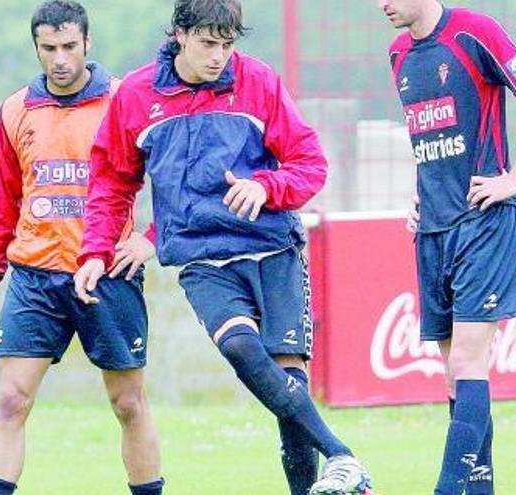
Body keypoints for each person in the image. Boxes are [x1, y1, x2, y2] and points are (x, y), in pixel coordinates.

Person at [73, 1, 373, 494]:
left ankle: (329, 479)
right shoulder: (136, 94)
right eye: (209, 44)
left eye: (228, 44)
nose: (219, 56)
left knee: (286, 384)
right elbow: (110, 183)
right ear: (180, 35)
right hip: (203, 257)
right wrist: (94, 252)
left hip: (273, 249)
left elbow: (309, 163)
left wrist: (265, 187)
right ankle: (343, 456)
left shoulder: (259, 82)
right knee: (238, 346)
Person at [0, 2, 164, 494]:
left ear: (88, 44)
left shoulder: (125, 101)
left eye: (69, 46)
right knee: (11, 400)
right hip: (35, 276)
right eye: (49, 48)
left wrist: (151, 238)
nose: (60, 59)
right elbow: (0, 201)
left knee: (128, 404)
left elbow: (176, 181)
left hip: (107, 274)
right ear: (36, 47)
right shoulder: (16, 110)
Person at [379, 0, 516, 493]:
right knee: (454, 379)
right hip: (432, 232)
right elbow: (435, 143)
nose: (383, 5)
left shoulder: (474, 32)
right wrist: (418, 196)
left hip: (483, 224)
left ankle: (446, 488)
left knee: (466, 362)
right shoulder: (398, 53)